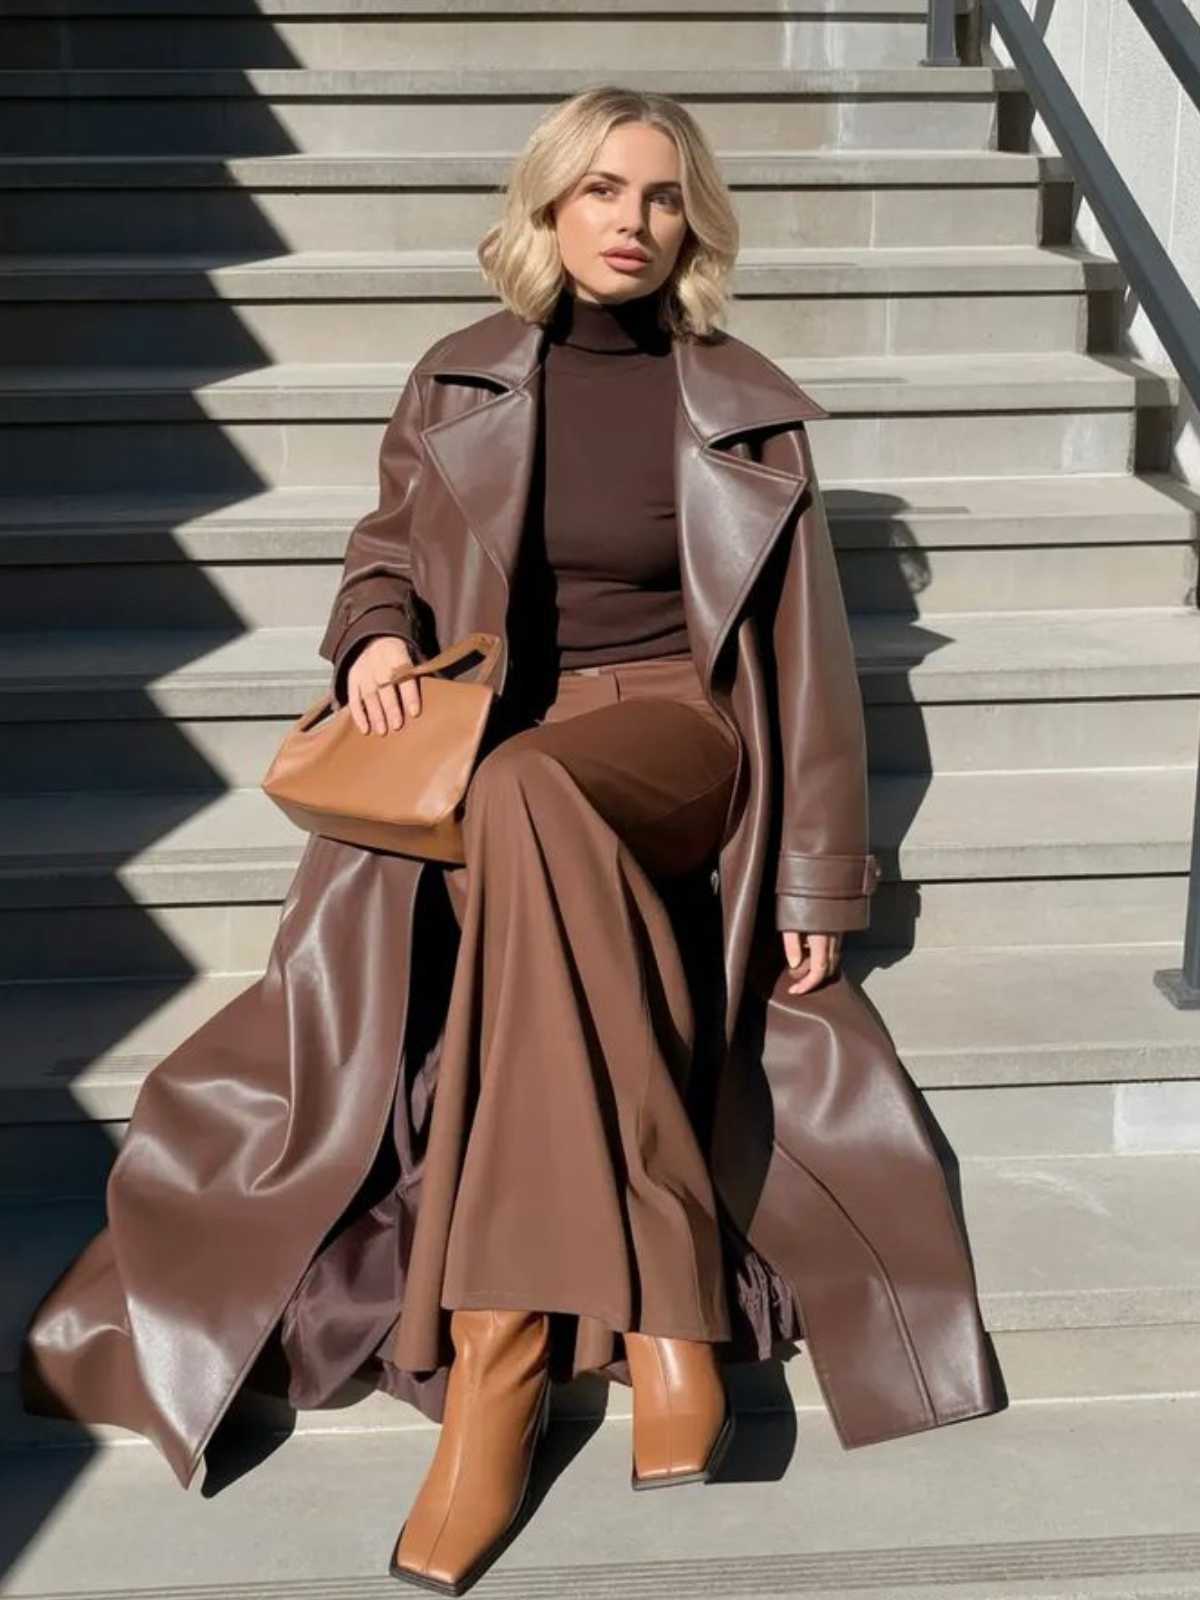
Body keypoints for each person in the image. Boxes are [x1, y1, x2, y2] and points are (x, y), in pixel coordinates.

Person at [21, 82, 998, 1600]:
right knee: (521, 809)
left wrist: (819, 872)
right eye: (602, 189)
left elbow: (810, 668)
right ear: (547, 207)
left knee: (531, 803)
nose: (632, 220)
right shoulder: (460, 380)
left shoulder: (738, 400)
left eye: (663, 195)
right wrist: (371, 639)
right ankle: (652, 1310)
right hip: (496, 743)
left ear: (696, 223)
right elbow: (386, 553)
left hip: (677, 738)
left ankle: (492, 1374)